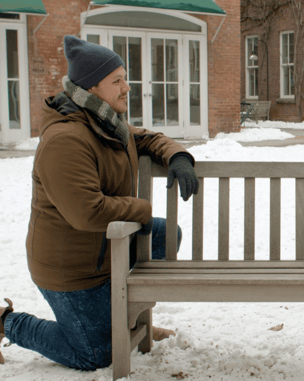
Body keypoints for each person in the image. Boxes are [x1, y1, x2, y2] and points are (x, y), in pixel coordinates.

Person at [0, 35, 200, 370]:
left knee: (166, 236)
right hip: (73, 269)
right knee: (95, 354)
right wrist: (142, 209)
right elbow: (87, 211)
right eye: (117, 80)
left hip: (105, 250)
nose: (128, 88)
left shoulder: (104, 123)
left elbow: (145, 137)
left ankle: (132, 320)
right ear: (93, 88)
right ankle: (8, 322)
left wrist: (177, 155)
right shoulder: (67, 140)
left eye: (126, 78)